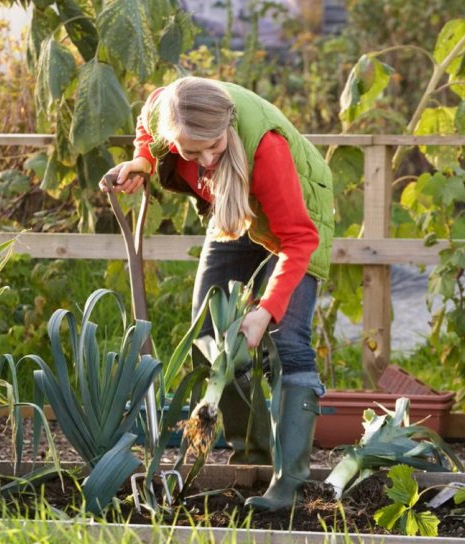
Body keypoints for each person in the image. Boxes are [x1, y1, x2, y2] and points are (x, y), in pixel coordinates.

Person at [100, 76, 334, 512]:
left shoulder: (266, 150)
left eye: (214, 145)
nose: (206, 158)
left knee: (288, 339)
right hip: (233, 204)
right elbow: (147, 130)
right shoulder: (164, 108)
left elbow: (299, 240)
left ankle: (287, 485)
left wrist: (265, 310)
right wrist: (141, 162)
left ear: (227, 123)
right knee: (209, 333)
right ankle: (254, 458)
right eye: (191, 152)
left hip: (294, 212)